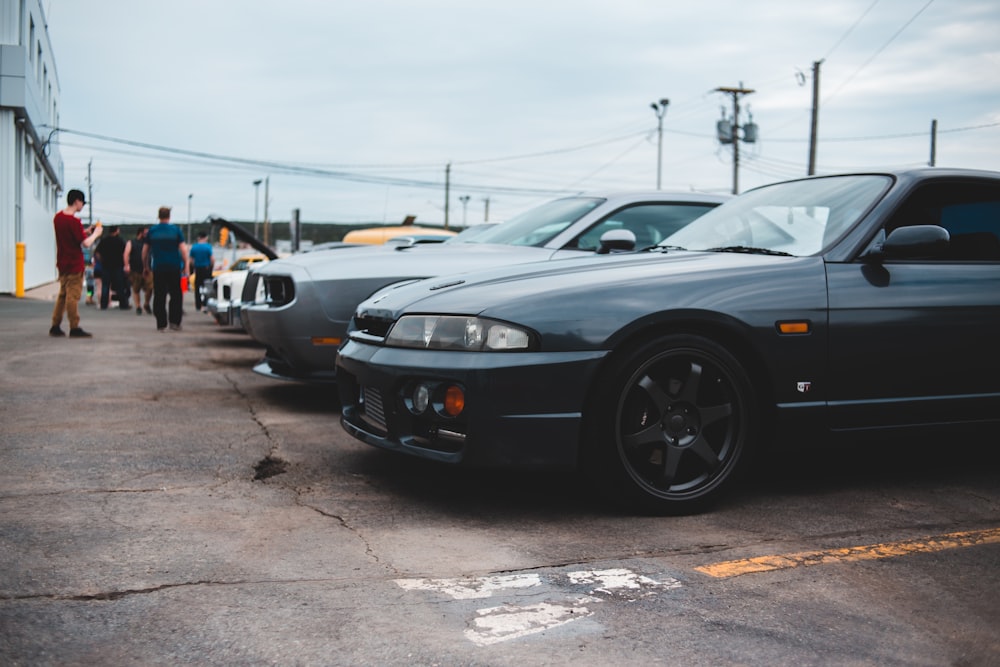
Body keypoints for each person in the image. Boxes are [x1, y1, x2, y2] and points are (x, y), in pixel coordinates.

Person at [50, 189, 103, 338]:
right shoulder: (74, 221)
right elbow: (86, 244)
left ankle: (55, 324)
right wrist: (96, 234)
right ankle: (74, 326)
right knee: (72, 296)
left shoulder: (58, 218)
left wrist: (85, 231)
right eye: (82, 202)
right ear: (77, 201)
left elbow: (72, 235)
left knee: (62, 294)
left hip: (62, 262)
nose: (83, 206)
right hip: (74, 263)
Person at [143, 206, 189, 332]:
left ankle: (161, 323)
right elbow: (184, 250)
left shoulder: (152, 231)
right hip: (174, 267)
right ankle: (174, 322)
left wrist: (145, 266)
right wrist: (186, 266)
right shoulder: (175, 230)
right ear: (169, 216)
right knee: (176, 295)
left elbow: (145, 251)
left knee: (159, 295)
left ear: (159, 216)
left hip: (158, 267)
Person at [95, 225, 129, 310]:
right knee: (120, 286)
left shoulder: (104, 241)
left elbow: (97, 253)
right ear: (116, 231)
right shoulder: (120, 241)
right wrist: (126, 264)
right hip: (118, 266)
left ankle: (104, 304)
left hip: (106, 266)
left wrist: (102, 260)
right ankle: (123, 304)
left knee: (105, 286)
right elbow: (125, 253)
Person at [125, 227, 153, 315]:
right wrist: (126, 265)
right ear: (140, 233)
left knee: (150, 288)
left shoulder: (149, 243)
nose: (147, 235)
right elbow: (126, 254)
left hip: (148, 269)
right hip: (135, 269)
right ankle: (138, 306)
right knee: (136, 289)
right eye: (146, 233)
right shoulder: (131, 242)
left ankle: (146, 303)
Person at [188, 231, 214, 312]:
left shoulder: (194, 247)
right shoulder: (208, 247)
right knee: (207, 287)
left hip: (198, 269)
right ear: (206, 238)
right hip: (206, 269)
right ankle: (205, 304)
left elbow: (191, 261)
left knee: (197, 287)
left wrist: (192, 269)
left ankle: (198, 305)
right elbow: (212, 259)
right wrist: (211, 268)